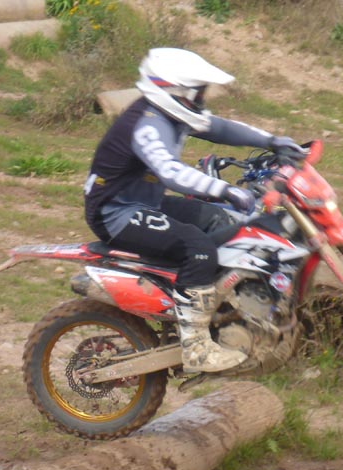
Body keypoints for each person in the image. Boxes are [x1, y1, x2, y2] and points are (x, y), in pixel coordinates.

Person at [83, 47, 305, 373]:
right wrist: (224, 189)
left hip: (146, 202)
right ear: (174, 91)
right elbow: (170, 171)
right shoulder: (146, 125)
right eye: (197, 93)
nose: (201, 100)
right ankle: (196, 347)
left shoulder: (170, 115)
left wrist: (274, 141)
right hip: (116, 213)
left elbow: (219, 128)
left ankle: (223, 312)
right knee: (199, 248)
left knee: (224, 220)